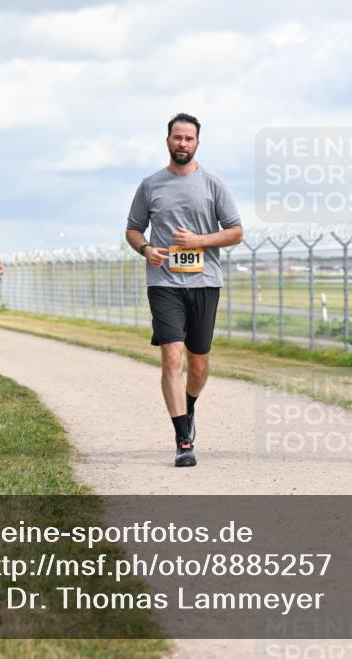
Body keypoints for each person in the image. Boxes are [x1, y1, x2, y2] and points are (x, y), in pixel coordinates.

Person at [125, 112, 243, 467]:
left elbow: (236, 231)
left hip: (204, 282)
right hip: (164, 283)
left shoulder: (213, 184)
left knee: (200, 363)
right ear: (167, 141)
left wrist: (199, 240)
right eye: (177, 138)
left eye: (188, 139)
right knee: (171, 356)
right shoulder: (150, 185)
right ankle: (183, 440)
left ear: (197, 143)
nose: (182, 144)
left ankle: (188, 406)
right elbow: (133, 229)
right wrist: (146, 249)